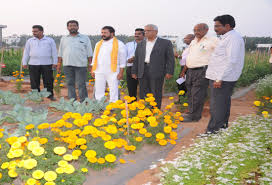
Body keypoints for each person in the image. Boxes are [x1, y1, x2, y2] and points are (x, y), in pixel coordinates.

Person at [206, 14, 245, 133]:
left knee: (217, 106)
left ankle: (213, 132)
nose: (215, 29)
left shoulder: (234, 39)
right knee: (221, 104)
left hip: (223, 79)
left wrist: (219, 78)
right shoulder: (226, 37)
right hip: (221, 77)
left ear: (227, 26)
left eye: (217, 26)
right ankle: (221, 130)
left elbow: (231, 61)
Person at [131, 24, 175, 109]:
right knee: (143, 92)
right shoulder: (141, 43)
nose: (146, 32)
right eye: (145, 31)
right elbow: (137, 59)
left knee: (156, 92)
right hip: (142, 70)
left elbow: (170, 58)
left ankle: (155, 111)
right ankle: (144, 111)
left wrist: (169, 71)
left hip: (157, 71)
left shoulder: (165, 43)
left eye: (148, 30)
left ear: (156, 32)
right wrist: (134, 71)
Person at [181, 23, 218, 122]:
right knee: (190, 93)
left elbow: (221, 53)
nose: (196, 32)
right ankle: (191, 112)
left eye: (199, 30)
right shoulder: (194, 41)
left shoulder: (213, 40)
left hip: (202, 70)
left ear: (206, 30)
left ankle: (194, 116)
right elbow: (189, 56)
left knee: (197, 94)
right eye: (194, 30)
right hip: (190, 70)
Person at [57, 20, 93, 102]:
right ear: (67, 28)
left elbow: (89, 52)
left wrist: (91, 65)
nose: (72, 27)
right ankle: (72, 101)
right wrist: (59, 64)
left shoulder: (85, 38)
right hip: (67, 65)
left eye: (74, 25)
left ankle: (83, 101)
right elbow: (60, 52)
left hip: (81, 65)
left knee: (81, 84)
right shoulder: (64, 38)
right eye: (70, 26)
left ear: (78, 27)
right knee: (70, 84)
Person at [91, 26, 127, 103]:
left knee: (113, 90)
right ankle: (99, 105)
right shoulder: (98, 44)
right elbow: (95, 57)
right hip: (99, 70)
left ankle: (113, 106)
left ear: (112, 33)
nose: (103, 34)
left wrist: (121, 72)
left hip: (113, 71)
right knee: (99, 90)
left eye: (105, 33)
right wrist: (93, 70)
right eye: (102, 32)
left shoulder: (119, 44)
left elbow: (123, 60)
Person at [22, 25, 57, 101]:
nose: (34, 33)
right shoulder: (30, 41)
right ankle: (36, 96)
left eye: (35, 31)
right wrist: (24, 62)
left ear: (41, 31)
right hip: (33, 64)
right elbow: (26, 52)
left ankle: (49, 95)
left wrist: (55, 62)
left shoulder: (49, 40)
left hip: (47, 63)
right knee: (34, 81)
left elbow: (54, 52)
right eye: (33, 31)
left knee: (48, 80)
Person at [125, 28, 145, 98]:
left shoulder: (147, 44)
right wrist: (129, 59)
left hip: (144, 69)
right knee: (131, 89)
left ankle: (144, 106)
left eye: (139, 34)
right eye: (135, 34)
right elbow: (124, 57)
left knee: (144, 89)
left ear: (144, 35)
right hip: (131, 68)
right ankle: (132, 106)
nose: (136, 35)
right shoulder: (128, 45)